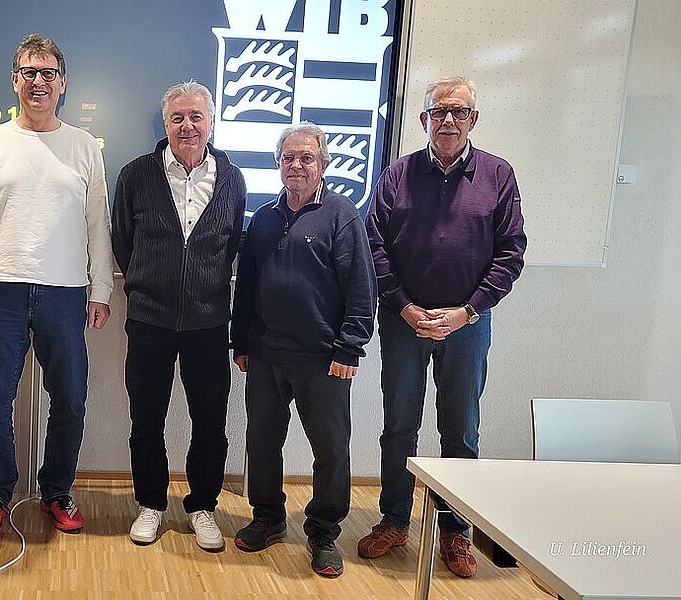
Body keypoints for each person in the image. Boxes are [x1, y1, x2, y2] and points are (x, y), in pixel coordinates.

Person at [359, 76, 526, 578]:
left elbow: (511, 253)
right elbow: (374, 245)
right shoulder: (397, 174)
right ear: (424, 119)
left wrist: (467, 311)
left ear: (473, 119)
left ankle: (456, 531)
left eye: (458, 111)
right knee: (399, 426)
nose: (448, 120)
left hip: (467, 324)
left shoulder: (498, 175)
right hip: (404, 322)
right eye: (438, 111)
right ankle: (395, 520)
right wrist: (404, 307)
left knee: (461, 431)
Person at [0, 34, 113, 539]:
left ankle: (56, 490)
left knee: (70, 400)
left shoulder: (84, 146)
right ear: (15, 81)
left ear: (62, 84)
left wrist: (101, 289)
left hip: (64, 292)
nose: (39, 81)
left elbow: (98, 223)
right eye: (30, 72)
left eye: (49, 73)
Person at [231, 123, 376, 577]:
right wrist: (241, 340)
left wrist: (349, 348)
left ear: (323, 164)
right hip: (266, 354)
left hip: (324, 358)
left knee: (330, 449)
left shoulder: (342, 214)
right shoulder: (263, 218)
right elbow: (246, 286)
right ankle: (268, 517)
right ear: (278, 164)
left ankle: (324, 532)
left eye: (306, 158)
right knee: (262, 442)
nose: (296, 165)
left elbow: (361, 288)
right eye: (288, 158)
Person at [111, 80, 246, 552]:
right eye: (177, 118)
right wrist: (150, 282)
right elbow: (123, 242)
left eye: (196, 117)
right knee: (146, 419)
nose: (187, 126)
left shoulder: (232, 179)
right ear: (165, 124)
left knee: (210, 421)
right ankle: (150, 503)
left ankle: (202, 505)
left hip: (209, 323)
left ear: (211, 123)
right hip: (149, 320)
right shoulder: (135, 175)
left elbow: (232, 244)